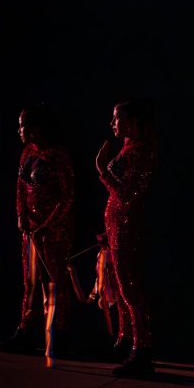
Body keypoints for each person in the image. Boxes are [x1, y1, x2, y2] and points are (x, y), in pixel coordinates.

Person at [0, 105, 74, 358]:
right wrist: (21, 215)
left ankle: (58, 335)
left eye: (23, 125)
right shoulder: (27, 152)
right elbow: (19, 187)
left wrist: (46, 226)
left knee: (53, 282)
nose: (19, 130)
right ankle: (26, 332)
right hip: (30, 230)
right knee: (30, 282)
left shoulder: (57, 156)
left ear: (37, 128)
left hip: (53, 231)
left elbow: (66, 197)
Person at [95, 100, 155, 377]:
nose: (113, 124)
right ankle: (127, 341)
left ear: (131, 121)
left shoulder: (140, 152)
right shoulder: (128, 149)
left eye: (117, 118)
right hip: (117, 230)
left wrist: (102, 169)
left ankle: (142, 350)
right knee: (121, 289)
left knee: (131, 290)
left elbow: (127, 195)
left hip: (129, 230)